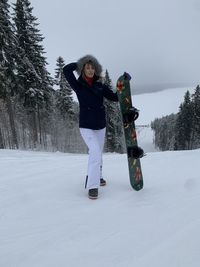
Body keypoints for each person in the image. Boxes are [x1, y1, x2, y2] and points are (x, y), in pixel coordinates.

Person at [63, 55, 118, 199]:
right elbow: (66, 70)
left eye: (93, 67)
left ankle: (98, 176)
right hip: (86, 126)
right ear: (83, 70)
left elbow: (114, 97)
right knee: (94, 151)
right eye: (87, 67)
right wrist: (80, 63)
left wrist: (123, 86)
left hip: (100, 125)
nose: (90, 70)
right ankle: (93, 186)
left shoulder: (100, 85)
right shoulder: (78, 85)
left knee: (97, 153)